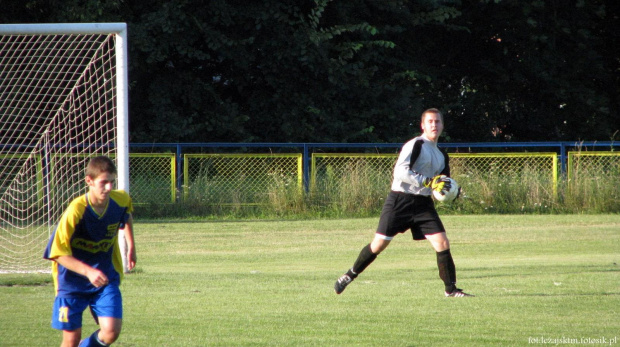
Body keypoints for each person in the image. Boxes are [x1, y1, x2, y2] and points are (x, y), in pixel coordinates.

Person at [334, 108, 473, 297]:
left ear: (442, 126)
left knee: (442, 242)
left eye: (437, 122)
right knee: (378, 245)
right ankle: (349, 275)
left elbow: (442, 184)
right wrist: (427, 181)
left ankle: (451, 290)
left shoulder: (441, 154)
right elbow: (400, 172)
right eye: (430, 121)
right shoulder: (415, 145)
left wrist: (452, 192)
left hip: (423, 204)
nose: (434, 125)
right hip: (400, 200)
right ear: (422, 125)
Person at [44, 156, 137, 347]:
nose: (109, 188)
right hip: (71, 282)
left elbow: (126, 214)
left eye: (112, 182)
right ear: (89, 181)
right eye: (104, 182)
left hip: (104, 277)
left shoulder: (120, 199)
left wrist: (131, 246)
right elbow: (58, 253)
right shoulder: (76, 210)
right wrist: (88, 271)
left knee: (110, 332)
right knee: (71, 340)